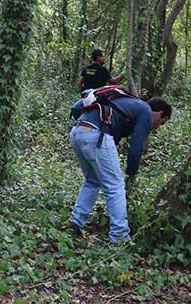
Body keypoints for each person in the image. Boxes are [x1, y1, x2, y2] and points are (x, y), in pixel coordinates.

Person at [68, 94, 171, 243]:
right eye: (161, 123)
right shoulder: (145, 111)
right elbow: (136, 148)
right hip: (97, 134)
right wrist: (132, 173)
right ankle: (119, 237)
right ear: (160, 113)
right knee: (115, 186)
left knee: (92, 180)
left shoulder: (127, 102)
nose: (156, 127)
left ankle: (76, 223)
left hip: (77, 131)